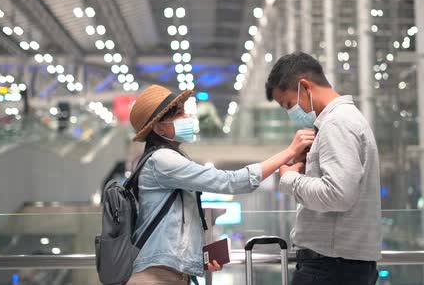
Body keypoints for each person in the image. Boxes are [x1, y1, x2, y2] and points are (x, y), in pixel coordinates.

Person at [126, 84, 314, 285]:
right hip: (154, 277)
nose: (187, 118)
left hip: (167, 273)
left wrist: (199, 257)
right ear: (158, 127)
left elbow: (172, 225)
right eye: (180, 114)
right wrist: (289, 151)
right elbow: (230, 182)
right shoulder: (162, 160)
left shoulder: (166, 159)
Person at [265, 52, 382, 285]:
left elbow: (338, 195)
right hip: (340, 265)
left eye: (289, 104)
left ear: (305, 86)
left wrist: (290, 179)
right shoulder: (347, 119)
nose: (290, 113)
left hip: (330, 266)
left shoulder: (336, 123)